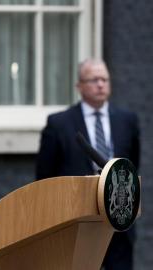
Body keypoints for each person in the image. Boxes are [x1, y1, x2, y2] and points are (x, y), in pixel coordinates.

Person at [36, 58, 140, 270]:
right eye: (94, 80)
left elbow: (132, 165)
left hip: (118, 224)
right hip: (76, 224)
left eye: (104, 79)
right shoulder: (58, 124)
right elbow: (44, 177)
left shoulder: (127, 120)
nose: (101, 84)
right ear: (79, 86)